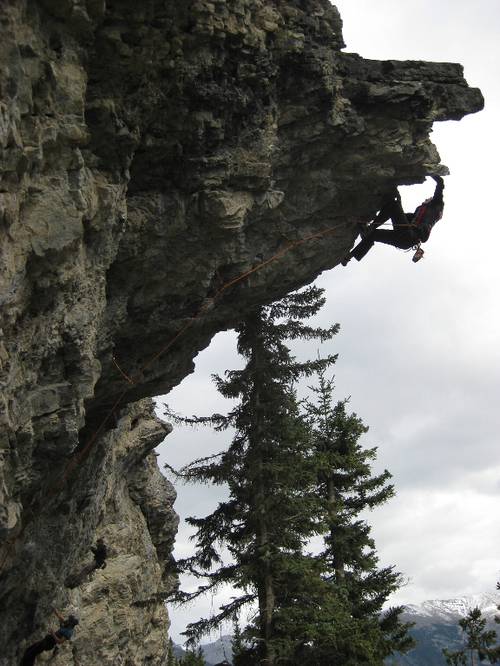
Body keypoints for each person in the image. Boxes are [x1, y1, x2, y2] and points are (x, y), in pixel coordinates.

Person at [342, 175, 444, 264]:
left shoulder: (436, 205)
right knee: (373, 234)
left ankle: (370, 227)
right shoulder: (416, 215)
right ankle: (348, 258)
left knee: (393, 205)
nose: (426, 199)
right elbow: (399, 216)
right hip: (405, 241)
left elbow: (440, 184)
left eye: (428, 199)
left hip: (408, 236)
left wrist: (429, 172)